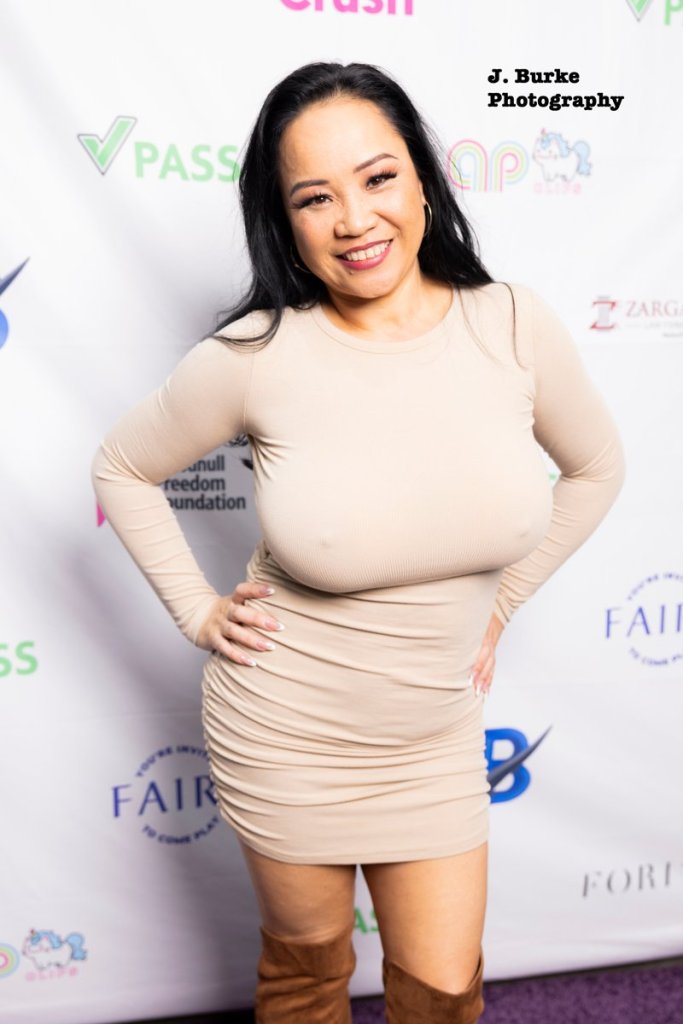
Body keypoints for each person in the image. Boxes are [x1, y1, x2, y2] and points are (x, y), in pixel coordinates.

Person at [91, 61, 626, 1024]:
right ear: (285, 220)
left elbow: (595, 469)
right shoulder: (255, 355)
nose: (353, 219)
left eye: (377, 178)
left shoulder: (511, 324)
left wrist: (502, 603)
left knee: (443, 995)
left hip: (433, 740)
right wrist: (197, 612)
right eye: (314, 197)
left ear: (421, 178)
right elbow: (122, 468)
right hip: (286, 737)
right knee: (306, 981)